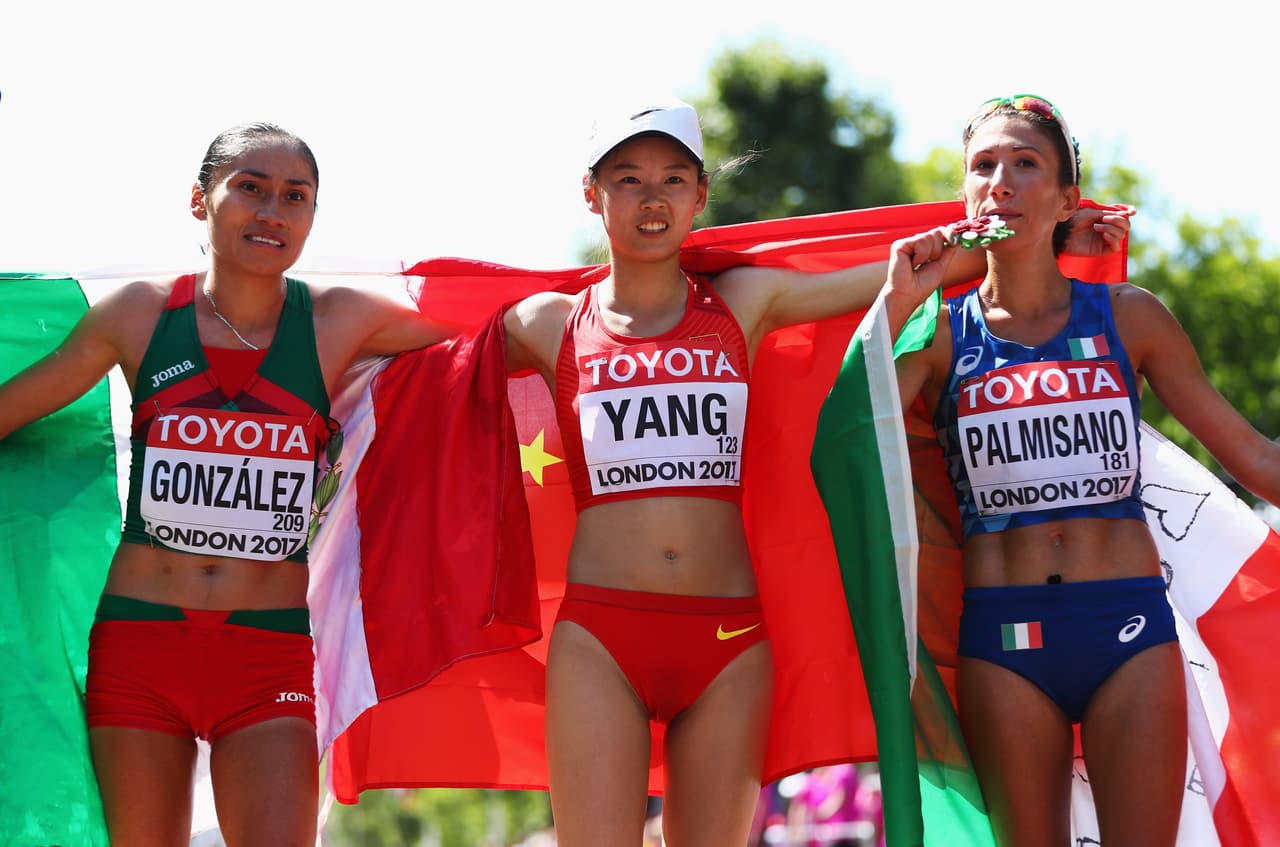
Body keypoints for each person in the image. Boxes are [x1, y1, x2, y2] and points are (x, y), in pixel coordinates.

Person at [500, 98, 1131, 847]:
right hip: (600, 633)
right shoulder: (544, 322)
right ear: (592, 191)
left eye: (673, 178)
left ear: (700, 196)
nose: (652, 198)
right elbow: (426, 364)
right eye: (629, 178)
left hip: (726, 640)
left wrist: (1053, 235)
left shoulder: (744, 300)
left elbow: (904, 275)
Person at [0, 122, 456, 845]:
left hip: (266, 653)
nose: (271, 210)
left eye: (294, 196)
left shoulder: (342, 320)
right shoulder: (139, 315)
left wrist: (649, 281)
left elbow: (492, 336)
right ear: (199, 200)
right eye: (249, 187)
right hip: (140, 646)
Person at [886, 94, 1280, 847]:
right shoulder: (935, 334)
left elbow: (1256, 456)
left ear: (1067, 198)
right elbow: (848, 442)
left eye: (1025, 164)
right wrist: (910, 291)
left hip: (1127, 629)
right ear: (964, 195)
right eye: (983, 166)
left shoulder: (1129, 316)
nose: (1000, 180)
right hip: (1004, 640)